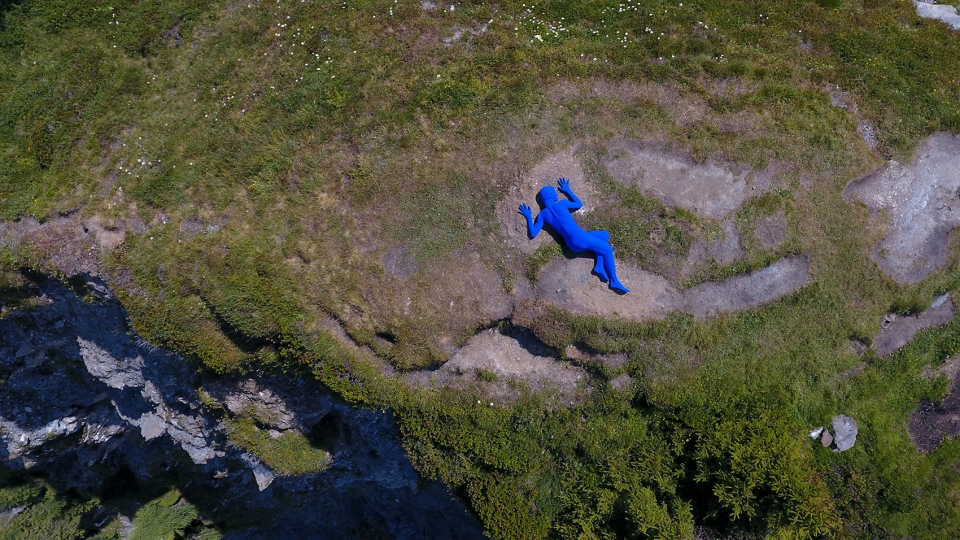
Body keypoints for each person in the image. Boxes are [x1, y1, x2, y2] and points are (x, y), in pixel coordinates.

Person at [519, 178, 629, 293]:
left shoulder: (543, 215)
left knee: (604, 236)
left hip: (572, 243)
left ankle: (599, 267)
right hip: (581, 239)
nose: (557, 193)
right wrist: (567, 190)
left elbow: (533, 233)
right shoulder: (562, 204)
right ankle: (614, 281)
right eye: (554, 192)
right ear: (551, 196)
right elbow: (578, 204)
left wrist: (528, 216)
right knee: (607, 249)